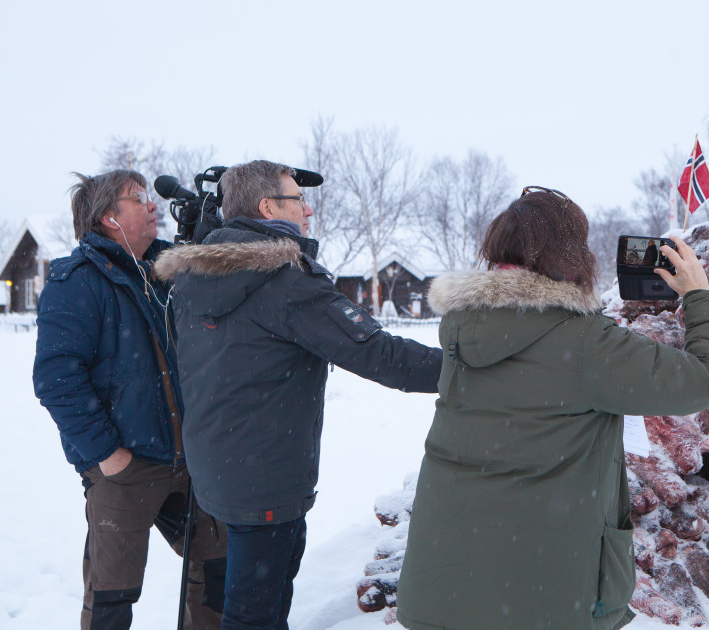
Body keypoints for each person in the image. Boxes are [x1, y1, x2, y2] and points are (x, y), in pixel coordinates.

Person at [397, 186, 709, 630]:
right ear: (569, 255)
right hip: (544, 599)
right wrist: (698, 295)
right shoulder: (585, 341)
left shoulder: (462, 326)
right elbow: (708, 377)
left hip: (444, 587)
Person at [153, 159, 443, 629]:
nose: (307, 211)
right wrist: (468, 365)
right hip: (266, 480)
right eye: (298, 200)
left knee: (248, 603)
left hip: (220, 473)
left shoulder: (196, 274)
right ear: (268, 207)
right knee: (256, 612)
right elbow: (381, 355)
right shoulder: (284, 281)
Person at [33, 169, 227, 629]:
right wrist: (106, 452)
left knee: (218, 575)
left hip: (190, 461)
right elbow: (56, 377)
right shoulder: (77, 280)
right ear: (108, 217)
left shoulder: (165, 273)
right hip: (126, 468)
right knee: (112, 597)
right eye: (138, 198)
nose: (152, 205)